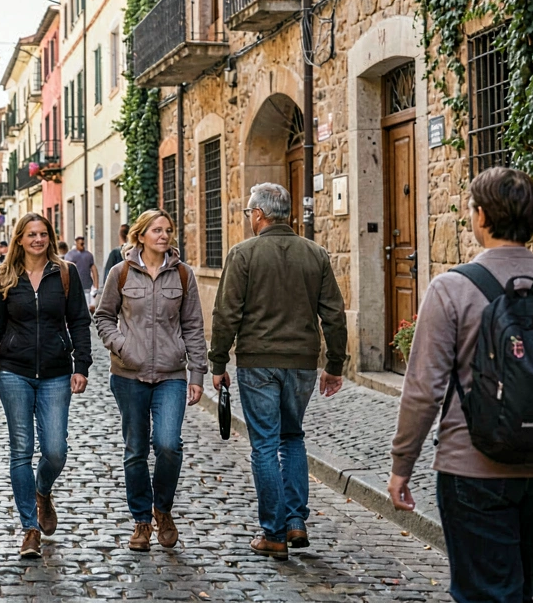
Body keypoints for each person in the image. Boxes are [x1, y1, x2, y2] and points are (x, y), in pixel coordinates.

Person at [389, 167, 533, 602]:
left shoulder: (450, 289)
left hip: (472, 468)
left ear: (481, 217)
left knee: (486, 593)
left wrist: (402, 464)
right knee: (517, 589)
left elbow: (423, 389)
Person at [209, 183, 347, 560]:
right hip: (302, 363)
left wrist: (217, 362)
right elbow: (333, 314)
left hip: (258, 362)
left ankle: (273, 532)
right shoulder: (315, 254)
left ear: (258, 214)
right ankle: (296, 521)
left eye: (249, 214)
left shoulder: (244, 254)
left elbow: (226, 314)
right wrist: (334, 365)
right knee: (292, 438)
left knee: (265, 445)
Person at [0, 213, 92, 559]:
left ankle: (43, 490)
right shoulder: (3, 277)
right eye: (31, 235)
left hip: (57, 373)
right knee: (20, 449)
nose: (38, 240)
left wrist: (81, 366)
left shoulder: (65, 273)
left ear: (50, 237)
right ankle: (29, 528)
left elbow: (80, 323)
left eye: (43, 234)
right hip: (14, 372)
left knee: (56, 450)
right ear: (20, 240)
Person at [93, 209, 206, 552]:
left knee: (169, 445)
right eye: (156, 230)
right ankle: (142, 520)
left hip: (171, 374)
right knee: (136, 450)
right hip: (129, 375)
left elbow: (194, 327)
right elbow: (103, 317)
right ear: (140, 235)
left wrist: (197, 372)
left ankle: (163, 510)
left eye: (168, 229)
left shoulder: (183, 275)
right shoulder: (121, 272)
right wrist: (122, 346)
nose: (164, 235)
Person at [64, 236, 99, 311]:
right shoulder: (70, 255)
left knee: (89, 307)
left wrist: (96, 286)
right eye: (80, 243)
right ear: (76, 243)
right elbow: (66, 270)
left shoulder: (88, 255)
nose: (82, 245)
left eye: (83, 243)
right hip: (74, 286)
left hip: (87, 285)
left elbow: (94, 270)